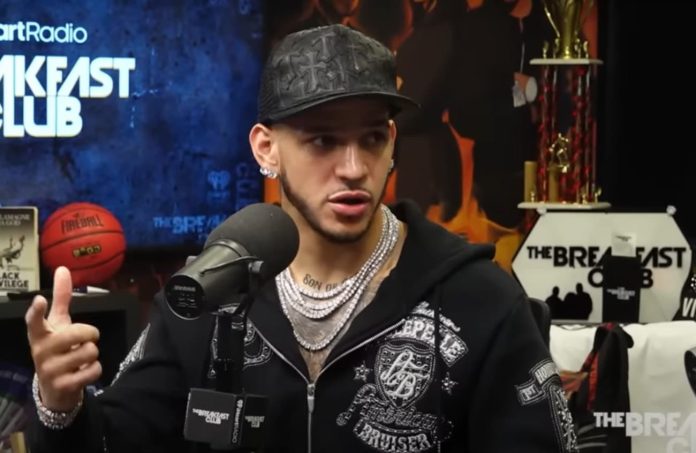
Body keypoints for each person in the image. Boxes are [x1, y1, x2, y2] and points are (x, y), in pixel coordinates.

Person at [25, 24, 577, 452]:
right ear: (266, 149)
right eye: (322, 141)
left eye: (372, 138)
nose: (354, 168)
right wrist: (59, 403)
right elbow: (116, 440)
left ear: (392, 141)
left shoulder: (479, 298)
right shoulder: (207, 295)